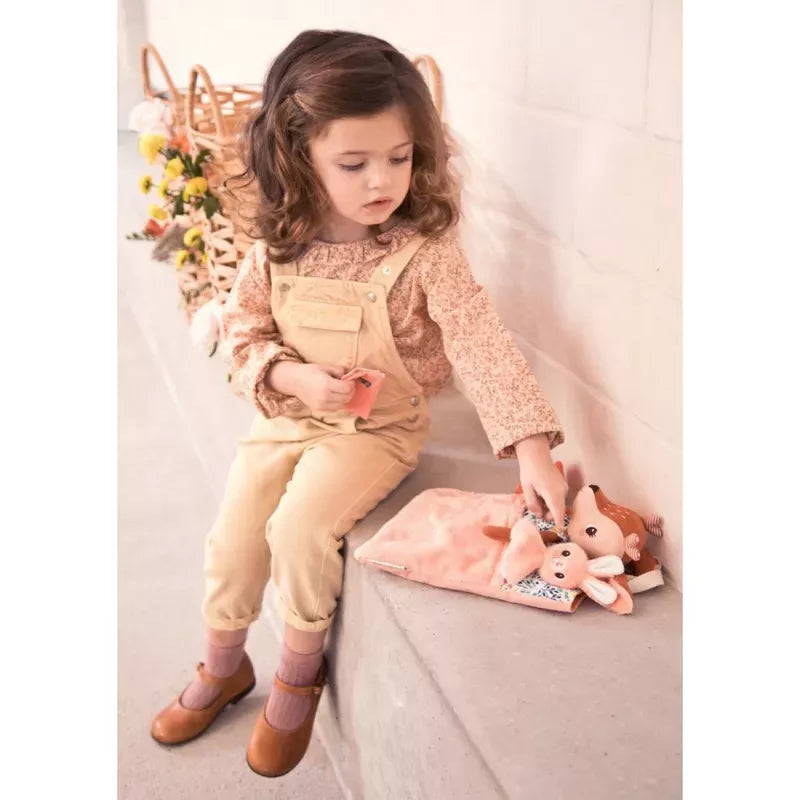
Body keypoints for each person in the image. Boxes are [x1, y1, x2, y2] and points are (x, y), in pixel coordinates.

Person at [150, 28, 567, 778]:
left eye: (400, 158)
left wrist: (531, 445)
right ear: (299, 157)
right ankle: (223, 663)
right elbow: (243, 330)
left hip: (376, 428)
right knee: (234, 534)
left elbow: (477, 336)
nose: (383, 180)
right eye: (354, 163)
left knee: (300, 527)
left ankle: (297, 673)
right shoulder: (279, 244)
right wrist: (289, 377)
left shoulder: (421, 250)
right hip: (288, 415)